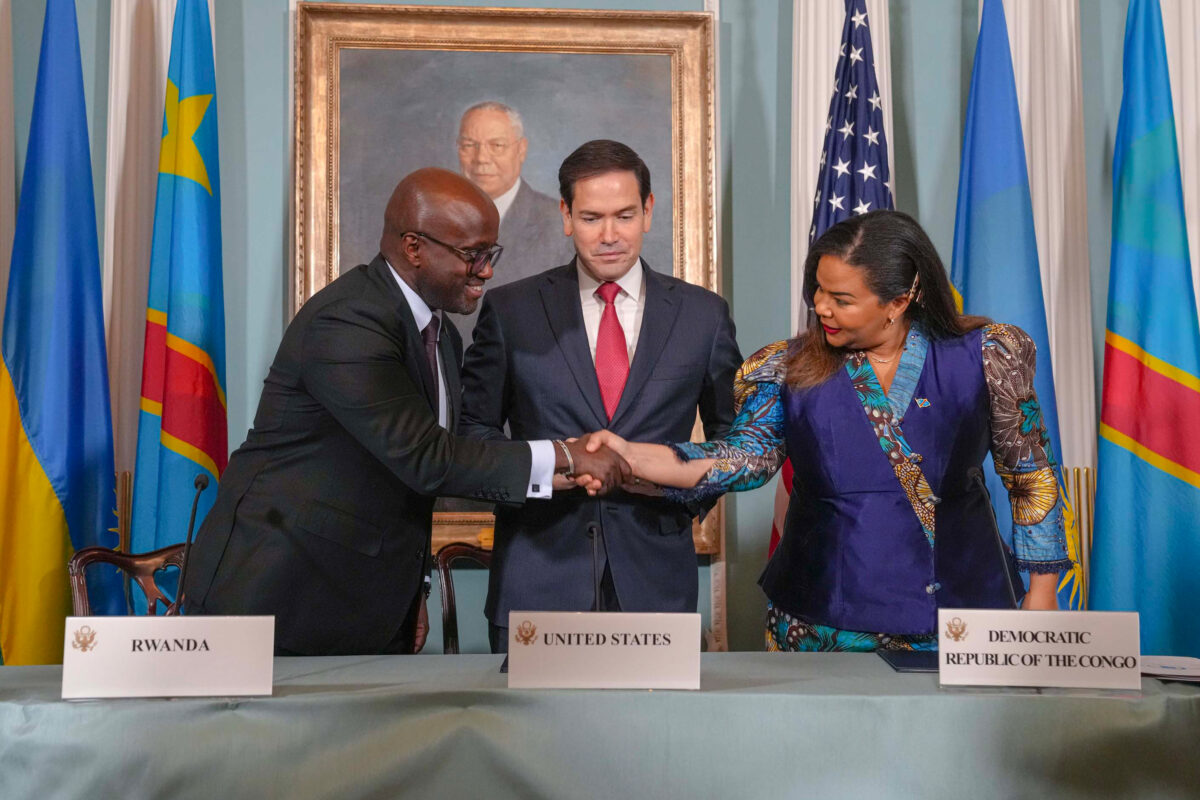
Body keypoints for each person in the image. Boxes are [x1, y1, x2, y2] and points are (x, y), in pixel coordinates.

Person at [181, 168, 629, 656]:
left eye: (490, 253)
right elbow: (426, 458)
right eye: (472, 255)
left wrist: (409, 590)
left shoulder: (443, 337)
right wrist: (567, 458)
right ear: (414, 248)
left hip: (370, 601)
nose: (486, 271)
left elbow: (411, 484)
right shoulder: (348, 321)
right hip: (279, 594)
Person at [586, 210, 1075, 652]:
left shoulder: (988, 354)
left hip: (962, 615)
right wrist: (629, 454)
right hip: (820, 621)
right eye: (817, 289)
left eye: (842, 299)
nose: (820, 307)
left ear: (900, 300)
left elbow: (1031, 476)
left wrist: (1042, 593)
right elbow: (742, 459)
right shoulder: (785, 366)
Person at [459, 140, 742, 653]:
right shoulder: (510, 311)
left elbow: (735, 445)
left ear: (649, 211)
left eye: (625, 215)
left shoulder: (704, 316)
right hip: (535, 583)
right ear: (565, 215)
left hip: (657, 587)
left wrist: (669, 488)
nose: (609, 236)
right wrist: (560, 468)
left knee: (654, 736)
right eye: (591, 218)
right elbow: (471, 437)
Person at [454, 101, 572, 336]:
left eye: (496, 145)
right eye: (469, 145)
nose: (481, 158)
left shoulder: (560, 225)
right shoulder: (439, 219)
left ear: (521, 150)